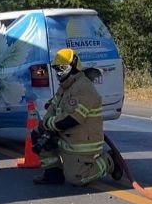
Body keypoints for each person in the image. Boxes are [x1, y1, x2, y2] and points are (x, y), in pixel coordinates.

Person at [30, 48, 122, 186]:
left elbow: (72, 119)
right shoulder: (65, 86)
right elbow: (53, 109)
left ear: (73, 66)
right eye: (57, 69)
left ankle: (109, 162)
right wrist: (44, 129)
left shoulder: (83, 87)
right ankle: (53, 174)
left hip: (81, 142)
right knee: (37, 134)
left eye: (62, 68)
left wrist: (48, 125)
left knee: (76, 179)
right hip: (66, 136)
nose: (59, 73)